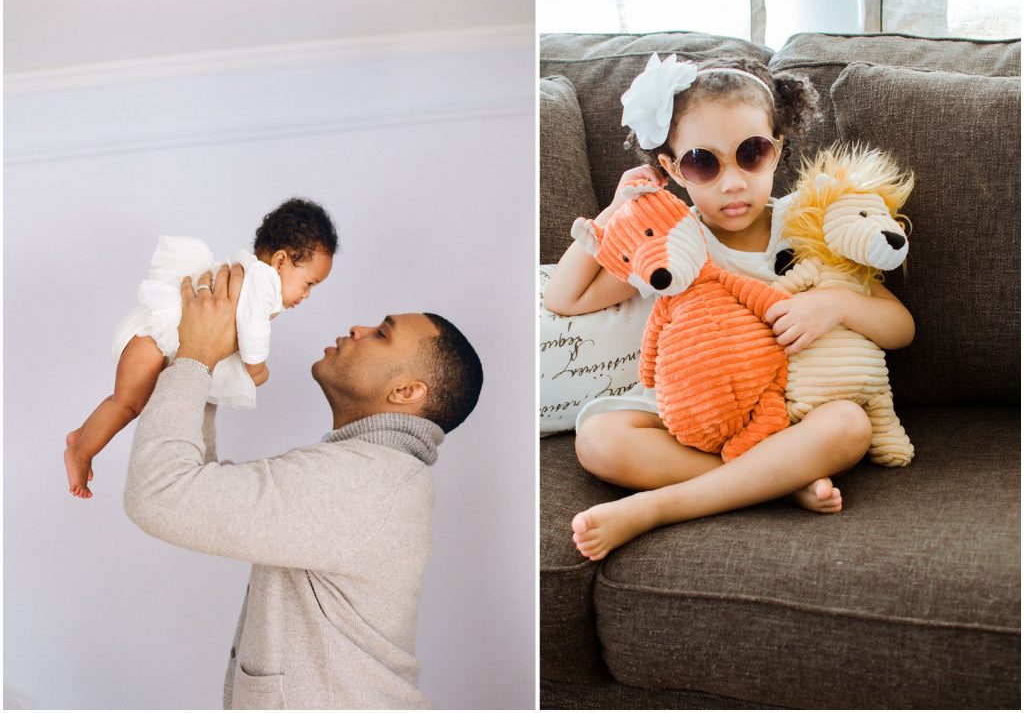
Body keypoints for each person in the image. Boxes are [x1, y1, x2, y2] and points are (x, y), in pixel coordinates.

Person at [543, 54, 915, 561]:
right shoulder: (673, 240)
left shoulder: (807, 226)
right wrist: (616, 210)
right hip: (696, 411)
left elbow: (900, 328)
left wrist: (835, 303)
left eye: (751, 153)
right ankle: (777, 482)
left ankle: (660, 506)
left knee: (849, 424)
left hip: (789, 415)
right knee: (598, 440)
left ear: (777, 151)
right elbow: (566, 298)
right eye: (703, 161)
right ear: (672, 169)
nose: (733, 181)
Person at [123, 262, 483, 709]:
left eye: (382, 334)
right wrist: (210, 369)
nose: (359, 327)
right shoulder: (374, 473)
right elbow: (201, 490)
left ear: (407, 392)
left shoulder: (365, 482)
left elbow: (161, 494)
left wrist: (196, 356)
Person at [64, 198, 337, 498]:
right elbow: (253, 329)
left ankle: (82, 435)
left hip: (155, 339)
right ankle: (82, 453)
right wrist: (256, 367)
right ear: (281, 261)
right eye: (309, 283)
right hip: (155, 339)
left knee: (125, 400)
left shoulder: (251, 273)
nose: (308, 294)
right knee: (127, 405)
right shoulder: (263, 282)